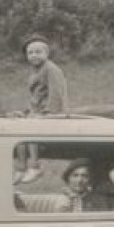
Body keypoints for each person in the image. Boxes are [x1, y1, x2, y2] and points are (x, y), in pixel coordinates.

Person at [19, 36, 69, 182]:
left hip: (51, 113)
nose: (34, 55)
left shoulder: (51, 69)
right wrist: (27, 111)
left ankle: (34, 166)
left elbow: (56, 93)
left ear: (46, 54)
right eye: (30, 53)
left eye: (38, 52)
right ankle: (21, 167)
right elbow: (36, 96)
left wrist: (48, 113)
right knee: (15, 126)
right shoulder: (35, 71)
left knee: (31, 127)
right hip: (36, 111)